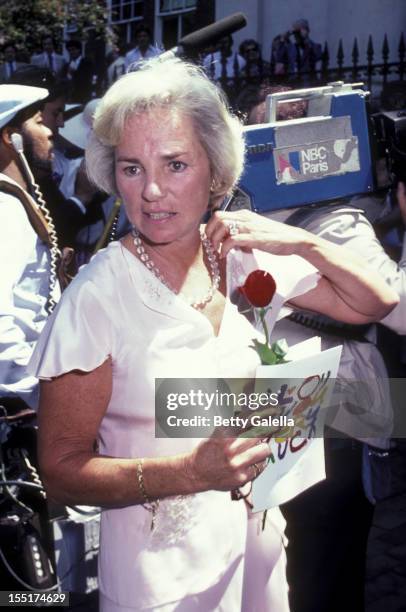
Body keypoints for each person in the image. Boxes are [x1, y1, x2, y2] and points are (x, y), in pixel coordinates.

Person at [28, 59, 398, 612]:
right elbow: (60, 472)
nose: (151, 190)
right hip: (164, 579)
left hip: (258, 550)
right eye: (131, 168)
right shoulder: (98, 294)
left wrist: (300, 243)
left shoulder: (239, 251)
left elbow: (376, 301)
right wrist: (188, 472)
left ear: (216, 172)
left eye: (175, 164)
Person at [0, 84, 60, 411]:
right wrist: (43, 397)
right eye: (40, 121)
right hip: (21, 407)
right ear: (12, 137)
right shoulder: (4, 210)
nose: (50, 131)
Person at [64, 39, 94, 103]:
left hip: (84, 96)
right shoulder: (67, 65)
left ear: (79, 49)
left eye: (73, 49)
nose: (71, 52)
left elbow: (87, 79)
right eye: (69, 50)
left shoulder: (87, 62)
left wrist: (74, 73)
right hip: (71, 98)